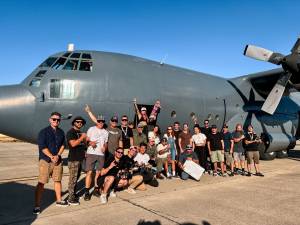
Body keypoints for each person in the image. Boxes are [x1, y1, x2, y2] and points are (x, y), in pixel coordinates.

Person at [33, 112, 67, 215]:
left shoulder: (61, 132)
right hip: (46, 161)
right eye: (54, 119)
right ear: (50, 119)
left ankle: (59, 200)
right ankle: (37, 206)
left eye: (58, 120)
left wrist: (58, 156)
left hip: (57, 160)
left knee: (58, 180)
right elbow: (42, 147)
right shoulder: (43, 132)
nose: (56, 121)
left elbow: (63, 145)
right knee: (41, 182)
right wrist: (52, 156)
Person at [84, 115, 108, 200]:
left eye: (102, 121)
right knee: (89, 172)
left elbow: (105, 143)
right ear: (96, 121)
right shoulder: (91, 129)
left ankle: (96, 189)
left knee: (98, 173)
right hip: (91, 153)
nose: (100, 123)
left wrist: (105, 147)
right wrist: (91, 143)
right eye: (99, 121)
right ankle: (87, 192)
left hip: (101, 154)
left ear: (104, 122)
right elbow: (86, 140)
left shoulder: (105, 132)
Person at [66, 116, 87, 205]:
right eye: (77, 122)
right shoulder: (71, 132)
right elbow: (73, 144)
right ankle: (70, 198)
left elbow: (82, 145)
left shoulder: (79, 132)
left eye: (81, 122)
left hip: (80, 159)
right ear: (74, 122)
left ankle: (73, 194)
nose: (79, 123)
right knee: (73, 179)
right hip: (74, 159)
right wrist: (82, 137)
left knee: (76, 178)